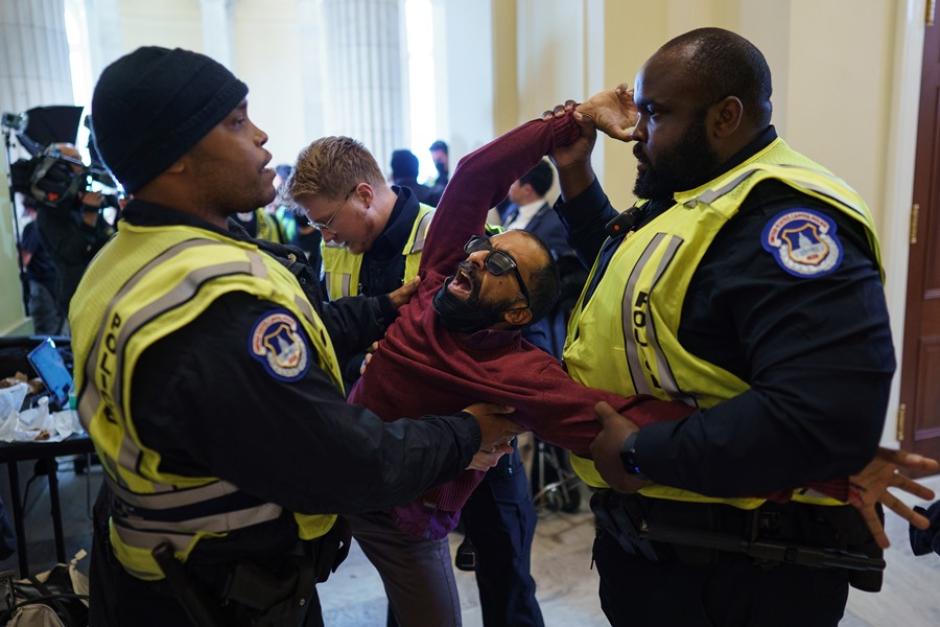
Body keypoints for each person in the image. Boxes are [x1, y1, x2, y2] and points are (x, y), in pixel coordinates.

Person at [73, 46, 521, 627]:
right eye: (235, 121)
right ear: (176, 157)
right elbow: (346, 460)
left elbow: (308, 332)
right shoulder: (212, 299)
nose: (261, 136)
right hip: (220, 590)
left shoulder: (127, 261)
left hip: (165, 571)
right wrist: (468, 431)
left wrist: (381, 308)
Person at [544, 27, 937, 626]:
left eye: (656, 113)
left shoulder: (785, 219)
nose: (637, 131)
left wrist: (638, 449)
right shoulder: (700, 195)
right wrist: (575, 172)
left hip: (741, 575)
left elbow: (822, 417)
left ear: (725, 116)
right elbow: (635, 267)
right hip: (663, 552)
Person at [292, 136, 582, 627]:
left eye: (326, 221)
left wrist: (488, 393)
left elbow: (519, 321)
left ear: (363, 194)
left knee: (503, 571)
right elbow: (332, 336)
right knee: (410, 586)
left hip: (480, 444)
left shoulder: (452, 238)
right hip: (397, 451)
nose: (325, 236)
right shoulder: (337, 249)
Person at [18, 197, 62, 335]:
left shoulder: (32, 228)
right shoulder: (51, 226)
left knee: (43, 327)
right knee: (56, 325)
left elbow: (25, 259)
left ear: (28, 208)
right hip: (54, 281)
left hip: (40, 285)